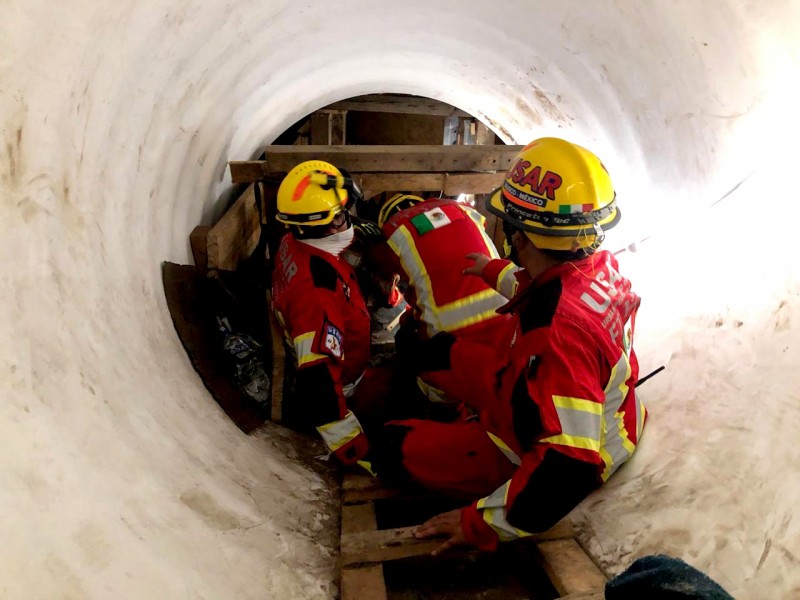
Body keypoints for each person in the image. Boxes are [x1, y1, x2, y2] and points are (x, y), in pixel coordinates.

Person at [374, 137, 647, 553]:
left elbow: (569, 465)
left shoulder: (559, 334)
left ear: (518, 237)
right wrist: (490, 270)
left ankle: (453, 445)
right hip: (530, 393)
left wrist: (475, 523)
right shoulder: (592, 269)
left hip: (535, 446)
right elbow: (537, 285)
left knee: (392, 445)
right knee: (438, 353)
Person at [270, 160, 375, 473]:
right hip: (345, 388)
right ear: (327, 225)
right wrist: (354, 450)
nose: (348, 221)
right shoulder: (316, 294)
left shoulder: (293, 241)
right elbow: (319, 385)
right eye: (344, 215)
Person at [363, 193, 512, 405]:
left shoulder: (392, 234)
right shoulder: (465, 210)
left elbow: (387, 291)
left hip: (447, 345)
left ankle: (428, 405)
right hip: (506, 330)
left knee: (406, 341)